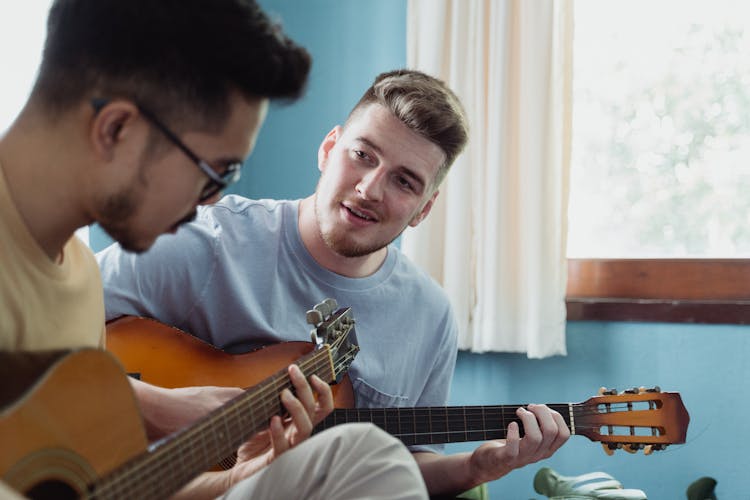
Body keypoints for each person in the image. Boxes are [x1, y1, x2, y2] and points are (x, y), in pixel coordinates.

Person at [0, 1, 428, 499]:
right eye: (214, 172)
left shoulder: (76, 280)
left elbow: (108, 489)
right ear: (117, 129)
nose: (216, 201)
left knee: (365, 457)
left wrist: (237, 476)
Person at [98, 68, 571, 496]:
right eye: (363, 155)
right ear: (329, 149)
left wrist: (478, 465)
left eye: (404, 182)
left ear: (424, 209)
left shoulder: (430, 315)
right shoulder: (207, 241)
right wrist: (164, 406)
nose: (369, 188)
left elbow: (407, 464)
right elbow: (31, 340)